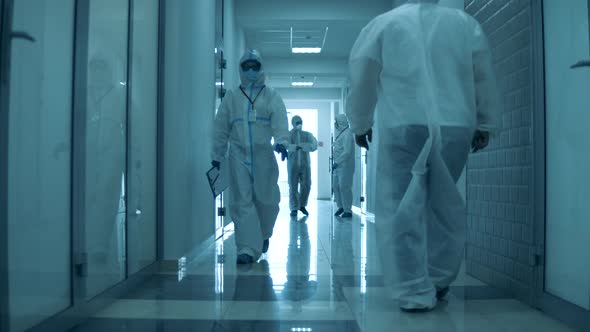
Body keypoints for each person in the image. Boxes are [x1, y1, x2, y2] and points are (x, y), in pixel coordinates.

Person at [346, 0, 501, 312]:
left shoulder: (385, 23)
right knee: (442, 203)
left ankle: (412, 290)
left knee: (400, 207)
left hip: (404, 124)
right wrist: (485, 121)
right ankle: (439, 279)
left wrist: (360, 123)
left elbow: (363, 74)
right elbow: (482, 73)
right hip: (455, 124)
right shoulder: (464, 23)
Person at [211, 49, 289, 265]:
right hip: (238, 155)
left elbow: (280, 120)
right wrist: (217, 154)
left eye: (255, 66)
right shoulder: (232, 97)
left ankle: (264, 234)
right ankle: (246, 248)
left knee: (267, 200)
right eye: (247, 66)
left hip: (264, 153)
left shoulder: (271, 95)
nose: (251, 70)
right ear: (240, 69)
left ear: (261, 67)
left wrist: (282, 141)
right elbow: (220, 127)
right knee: (241, 201)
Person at [287, 115, 318, 217]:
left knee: (307, 185)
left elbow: (315, 144)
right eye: (297, 122)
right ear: (292, 123)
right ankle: (294, 208)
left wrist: (309, 147)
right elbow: (285, 145)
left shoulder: (307, 134)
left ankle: (302, 205)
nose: (299, 124)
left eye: (300, 122)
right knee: (293, 186)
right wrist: (295, 147)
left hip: (305, 165)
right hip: (293, 165)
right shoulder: (288, 135)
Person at [332, 114, 356, 218]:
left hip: (345, 166)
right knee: (336, 186)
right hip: (338, 166)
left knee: (344, 187)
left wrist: (337, 162)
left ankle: (347, 210)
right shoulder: (341, 133)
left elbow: (347, 151)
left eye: (336, 121)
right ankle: (340, 206)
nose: (335, 124)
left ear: (341, 122)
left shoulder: (348, 134)